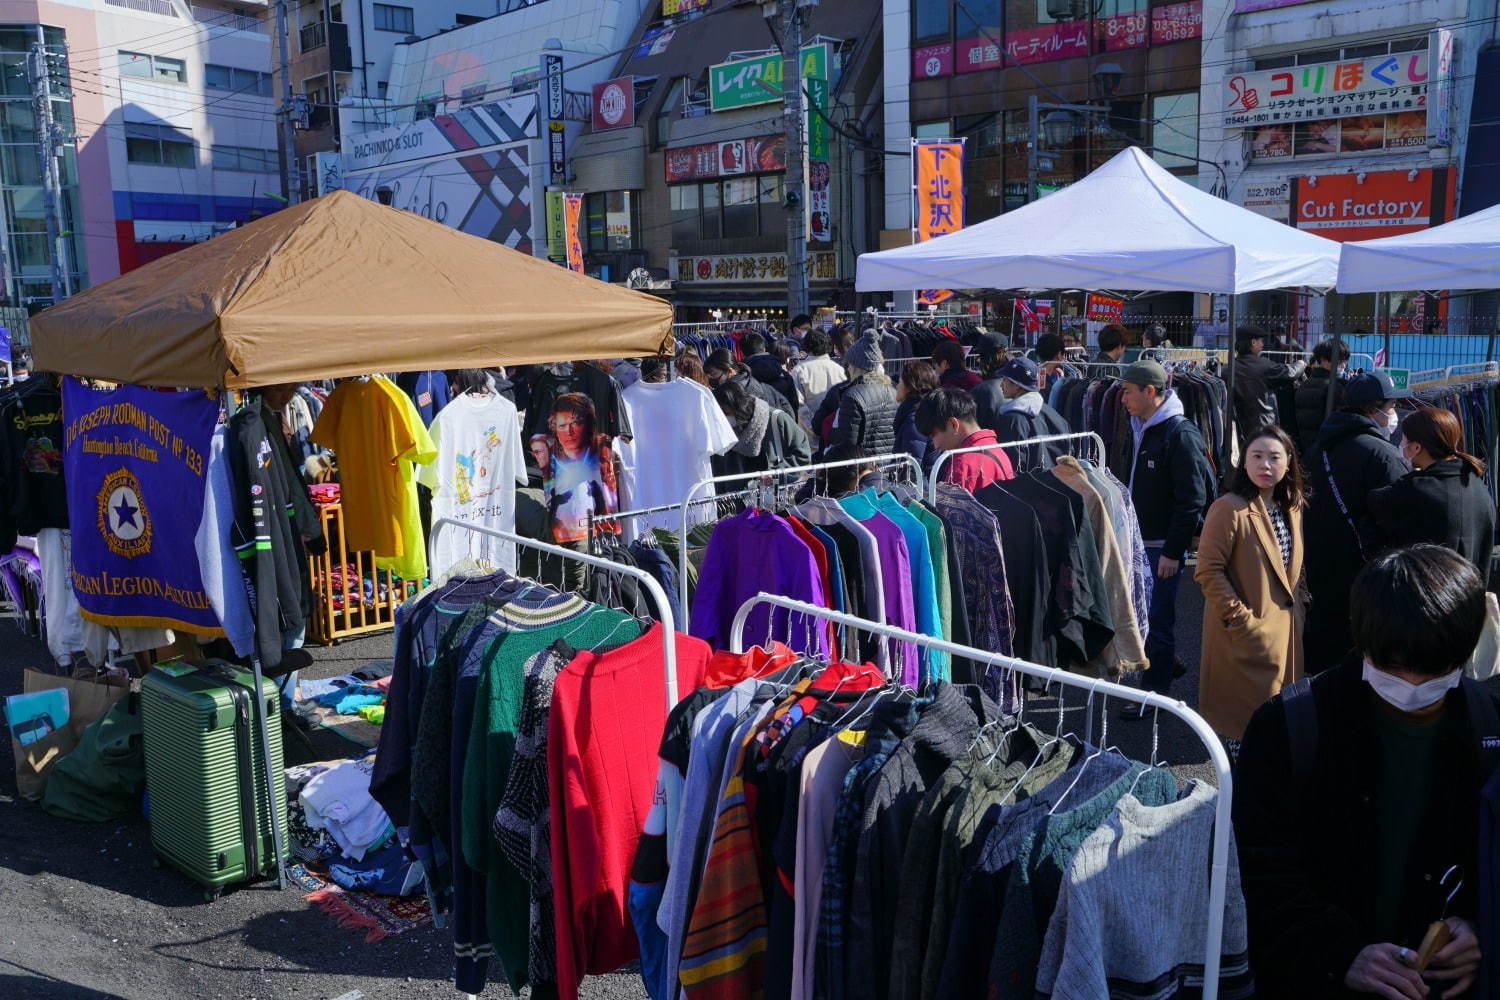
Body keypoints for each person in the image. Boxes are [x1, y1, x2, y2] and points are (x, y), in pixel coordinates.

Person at [1234, 544, 1500, 1000]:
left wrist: (1480, 926)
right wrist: (1338, 953)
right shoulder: (1288, 725)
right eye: (1394, 668)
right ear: (1362, 638)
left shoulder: (1489, 724)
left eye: (1434, 672)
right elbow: (1255, 868)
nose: (1413, 687)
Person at [1195, 425, 1306, 745]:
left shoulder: (1292, 505)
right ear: (1243, 462)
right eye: (1256, 456)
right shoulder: (1229, 508)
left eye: (1274, 457)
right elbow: (1207, 570)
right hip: (1244, 636)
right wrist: (1242, 620)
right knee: (1243, 732)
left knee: (1275, 727)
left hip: (1285, 635)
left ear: (1288, 463)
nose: (1265, 465)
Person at [1302, 371, 1412, 674]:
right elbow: (1399, 513)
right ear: (1371, 409)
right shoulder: (1383, 454)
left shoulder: (1318, 447)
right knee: (1361, 651)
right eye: (1390, 407)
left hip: (1318, 563)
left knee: (1324, 653)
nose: (1393, 415)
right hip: (1363, 568)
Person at [1119, 360, 1213, 707]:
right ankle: (1163, 663)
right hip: (1138, 539)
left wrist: (1174, 552)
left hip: (1162, 546)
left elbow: (1192, 500)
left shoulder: (1179, 433)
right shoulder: (1138, 424)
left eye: (1128, 392)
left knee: (1158, 617)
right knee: (1138, 613)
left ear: (1150, 391)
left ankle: (1153, 695)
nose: (1123, 399)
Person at [1368, 407, 1496, 568]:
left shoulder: (1417, 489)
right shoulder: (1477, 484)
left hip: (1432, 589)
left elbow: (1375, 501)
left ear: (1416, 447)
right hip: (1469, 589)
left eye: (1404, 439)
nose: (1401, 444)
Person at [814, 330, 898, 456]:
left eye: (849, 365)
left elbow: (847, 442)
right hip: (886, 464)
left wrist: (830, 432)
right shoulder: (892, 390)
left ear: (855, 366)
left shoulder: (852, 395)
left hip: (860, 467)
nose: (847, 368)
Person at [916, 387, 1014, 491]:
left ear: (954, 425)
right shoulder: (997, 449)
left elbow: (951, 507)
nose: (935, 445)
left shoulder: (962, 465)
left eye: (933, 434)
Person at [987, 356, 1071, 470]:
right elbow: (1069, 454)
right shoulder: (1054, 415)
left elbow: (1012, 465)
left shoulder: (1011, 419)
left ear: (1016, 384)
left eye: (1005, 379)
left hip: (1027, 486)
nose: (1001, 385)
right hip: (1056, 484)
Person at [712, 379, 812, 475]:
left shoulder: (776, 419)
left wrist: (774, 473)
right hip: (740, 490)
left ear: (738, 407)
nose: (724, 418)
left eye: (726, 413)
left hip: (776, 488)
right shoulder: (724, 430)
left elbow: (803, 455)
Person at [1231, 325, 1306, 445]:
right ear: (1253, 342)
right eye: (1260, 341)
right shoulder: (1264, 366)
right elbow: (1290, 373)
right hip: (1262, 428)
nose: (1262, 345)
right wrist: (1301, 364)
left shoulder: (1227, 368)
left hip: (1235, 429)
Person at [1293, 339, 1351, 453]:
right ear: (1323, 360)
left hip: (1307, 448)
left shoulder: (1304, 384)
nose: (1343, 365)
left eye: (1345, 361)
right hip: (1330, 448)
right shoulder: (1335, 387)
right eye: (1339, 362)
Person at [793, 327, 846, 442]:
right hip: (835, 430)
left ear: (807, 346)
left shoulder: (799, 370)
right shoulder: (839, 369)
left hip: (809, 435)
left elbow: (800, 406)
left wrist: (812, 429)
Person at [893, 360, 941, 471]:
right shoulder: (926, 409)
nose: (897, 386)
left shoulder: (915, 419)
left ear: (909, 387)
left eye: (900, 382)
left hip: (919, 486)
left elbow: (912, 468)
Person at [743, 331, 799, 412]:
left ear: (742, 353)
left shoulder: (742, 378)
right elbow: (794, 404)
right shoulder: (785, 375)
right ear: (764, 348)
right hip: (783, 421)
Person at [971, 331, 1013, 432]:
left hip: (992, 444)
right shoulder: (1021, 382)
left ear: (984, 358)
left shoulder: (981, 391)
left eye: (980, 357)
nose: (977, 361)